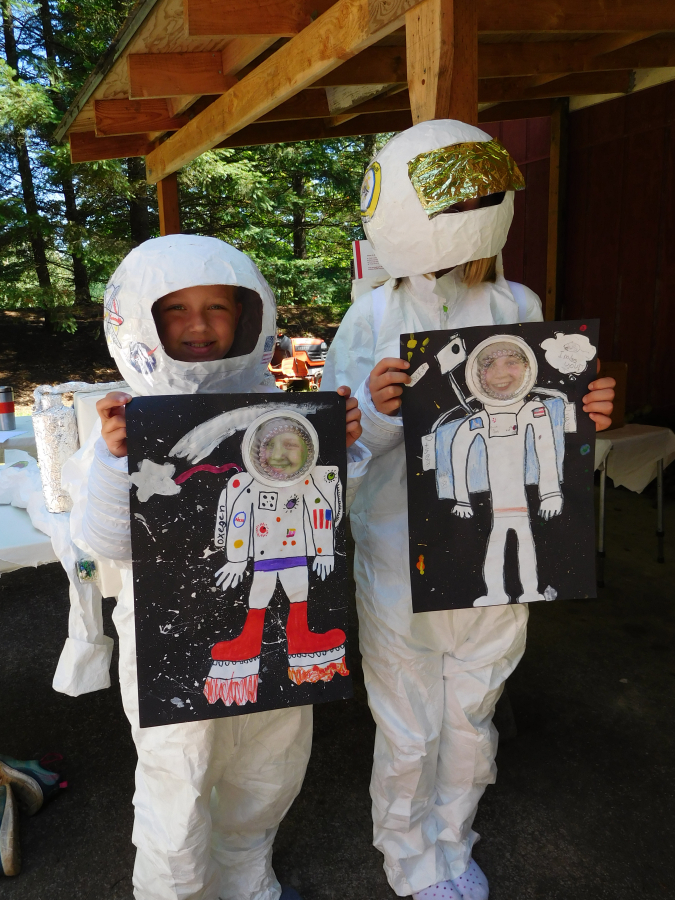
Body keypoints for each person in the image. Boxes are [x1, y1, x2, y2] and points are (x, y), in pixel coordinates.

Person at [321, 120, 615, 900]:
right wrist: (378, 413)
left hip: (499, 544)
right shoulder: (371, 317)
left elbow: (537, 413)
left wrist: (583, 414)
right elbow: (332, 455)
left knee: (471, 714)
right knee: (410, 725)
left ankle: (452, 839)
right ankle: (408, 857)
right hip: (399, 554)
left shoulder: (517, 300)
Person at [76, 235, 362, 900]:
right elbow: (104, 542)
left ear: (251, 315)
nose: (199, 325)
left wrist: (347, 443)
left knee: (268, 770)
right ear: (139, 318)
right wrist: (119, 462)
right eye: (176, 310)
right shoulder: (122, 422)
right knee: (178, 783)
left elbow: (336, 517)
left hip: (271, 645)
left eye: (216, 307)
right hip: (168, 647)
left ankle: (247, 876)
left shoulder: (287, 414)